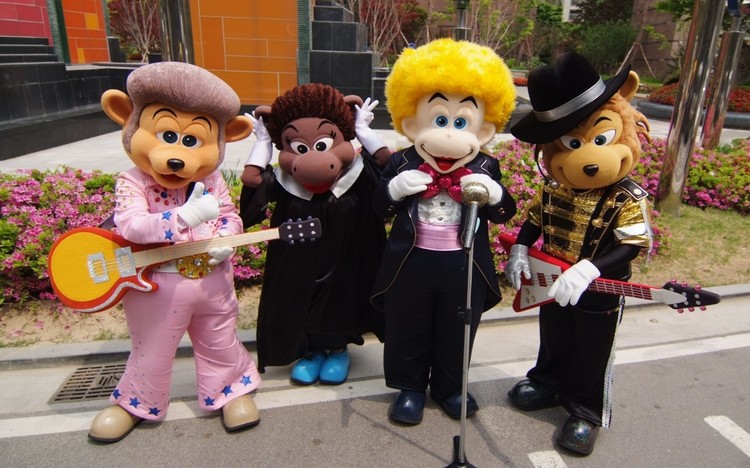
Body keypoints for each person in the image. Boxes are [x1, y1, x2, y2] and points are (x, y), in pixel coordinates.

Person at [88, 62, 262, 443]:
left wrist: (225, 240)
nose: (177, 155)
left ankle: (230, 391)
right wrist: (181, 218)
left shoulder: (211, 179)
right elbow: (132, 225)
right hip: (156, 286)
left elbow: (229, 217)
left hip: (212, 283)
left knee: (220, 339)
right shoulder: (132, 181)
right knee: (152, 347)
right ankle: (136, 402)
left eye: (192, 140)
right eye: (167, 135)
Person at [506, 52, 653, 455]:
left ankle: (585, 411)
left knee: (592, 349)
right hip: (552, 278)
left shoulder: (626, 196)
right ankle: (548, 382)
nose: (585, 158)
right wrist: (520, 247)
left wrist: (590, 269)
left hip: (600, 288)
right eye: (571, 144)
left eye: (600, 139)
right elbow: (536, 219)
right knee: (554, 335)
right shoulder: (555, 187)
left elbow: (631, 244)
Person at [369, 38, 517, 425]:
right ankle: (410, 388)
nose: (449, 135)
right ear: (412, 122)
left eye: (461, 122)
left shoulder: (486, 166)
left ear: (484, 129)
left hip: (463, 264)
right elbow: (379, 209)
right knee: (407, 324)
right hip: (410, 262)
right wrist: (394, 189)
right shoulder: (401, 161)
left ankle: (450, 387)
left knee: (458, 327)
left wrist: (495, 194)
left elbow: (504, 213)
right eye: (439, 120)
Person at [238, 83, 388, 386]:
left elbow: (388, 168)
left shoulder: (359, 174)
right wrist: (262, 143)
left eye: (323, 144)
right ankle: (310, 352)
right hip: (298, 262)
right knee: (299, 300)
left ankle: (337, 350)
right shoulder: (284, 181)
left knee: (341, 298)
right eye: (298, 147)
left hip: (346, 258)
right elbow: (253, 181)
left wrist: (364, 133)